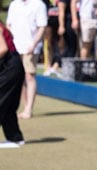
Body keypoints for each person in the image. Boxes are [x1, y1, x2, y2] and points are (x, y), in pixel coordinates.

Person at [6, 0, 47, 119]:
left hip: (30, 46)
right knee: (20, 76)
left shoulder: (39, 4)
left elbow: (42, 27)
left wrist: (34, 44)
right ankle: (25, 107)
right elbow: (9, 25)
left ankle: (29, 108)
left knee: (29, 75)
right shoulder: (14, 4)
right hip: (15, 46)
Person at [1, 19, 27, 147]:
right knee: (9, 104)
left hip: (10, 67)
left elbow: (2, 48)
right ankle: (15, 138)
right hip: (13, 66)